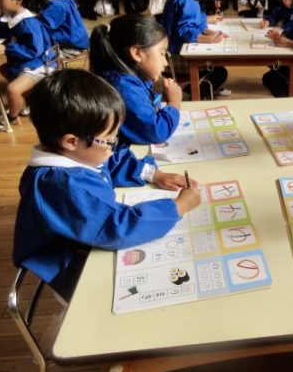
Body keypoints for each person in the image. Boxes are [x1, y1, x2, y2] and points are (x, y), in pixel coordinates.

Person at [13, 69, 202, 301]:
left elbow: (111, 163)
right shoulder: (63, 185)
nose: (113, 146)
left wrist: (154, 174)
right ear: (71, 141)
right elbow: (117, 227)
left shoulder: (76, 154)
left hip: (90, 242)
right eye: (109, 140)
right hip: (74, 270)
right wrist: (177, 207)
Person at [90, 14, 182, 149]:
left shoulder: (131, 76)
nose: (165, 63)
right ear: (137, 53)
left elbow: (148, 110)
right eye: (162, 54)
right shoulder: (124, 86)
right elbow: (156, 132)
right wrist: (174, 103)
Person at [0, 0, 53, 130]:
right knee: (4, 70)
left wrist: (7, 49)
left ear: (18, 0)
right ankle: (27, 101)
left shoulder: (29, 23)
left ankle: (11, 116)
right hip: (22, 63)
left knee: (13, 89)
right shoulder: (6, 16)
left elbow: (34, 50)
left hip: (38, 65)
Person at [161, 0, 230, 98]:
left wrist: (208, 32)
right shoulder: (188, 2)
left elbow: (197, 22)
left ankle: (203, 89)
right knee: (220, 72)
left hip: (168, 57)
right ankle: (189, 93)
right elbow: (185, 30)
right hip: (177, 60)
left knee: (218, 68)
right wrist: (208, 39)